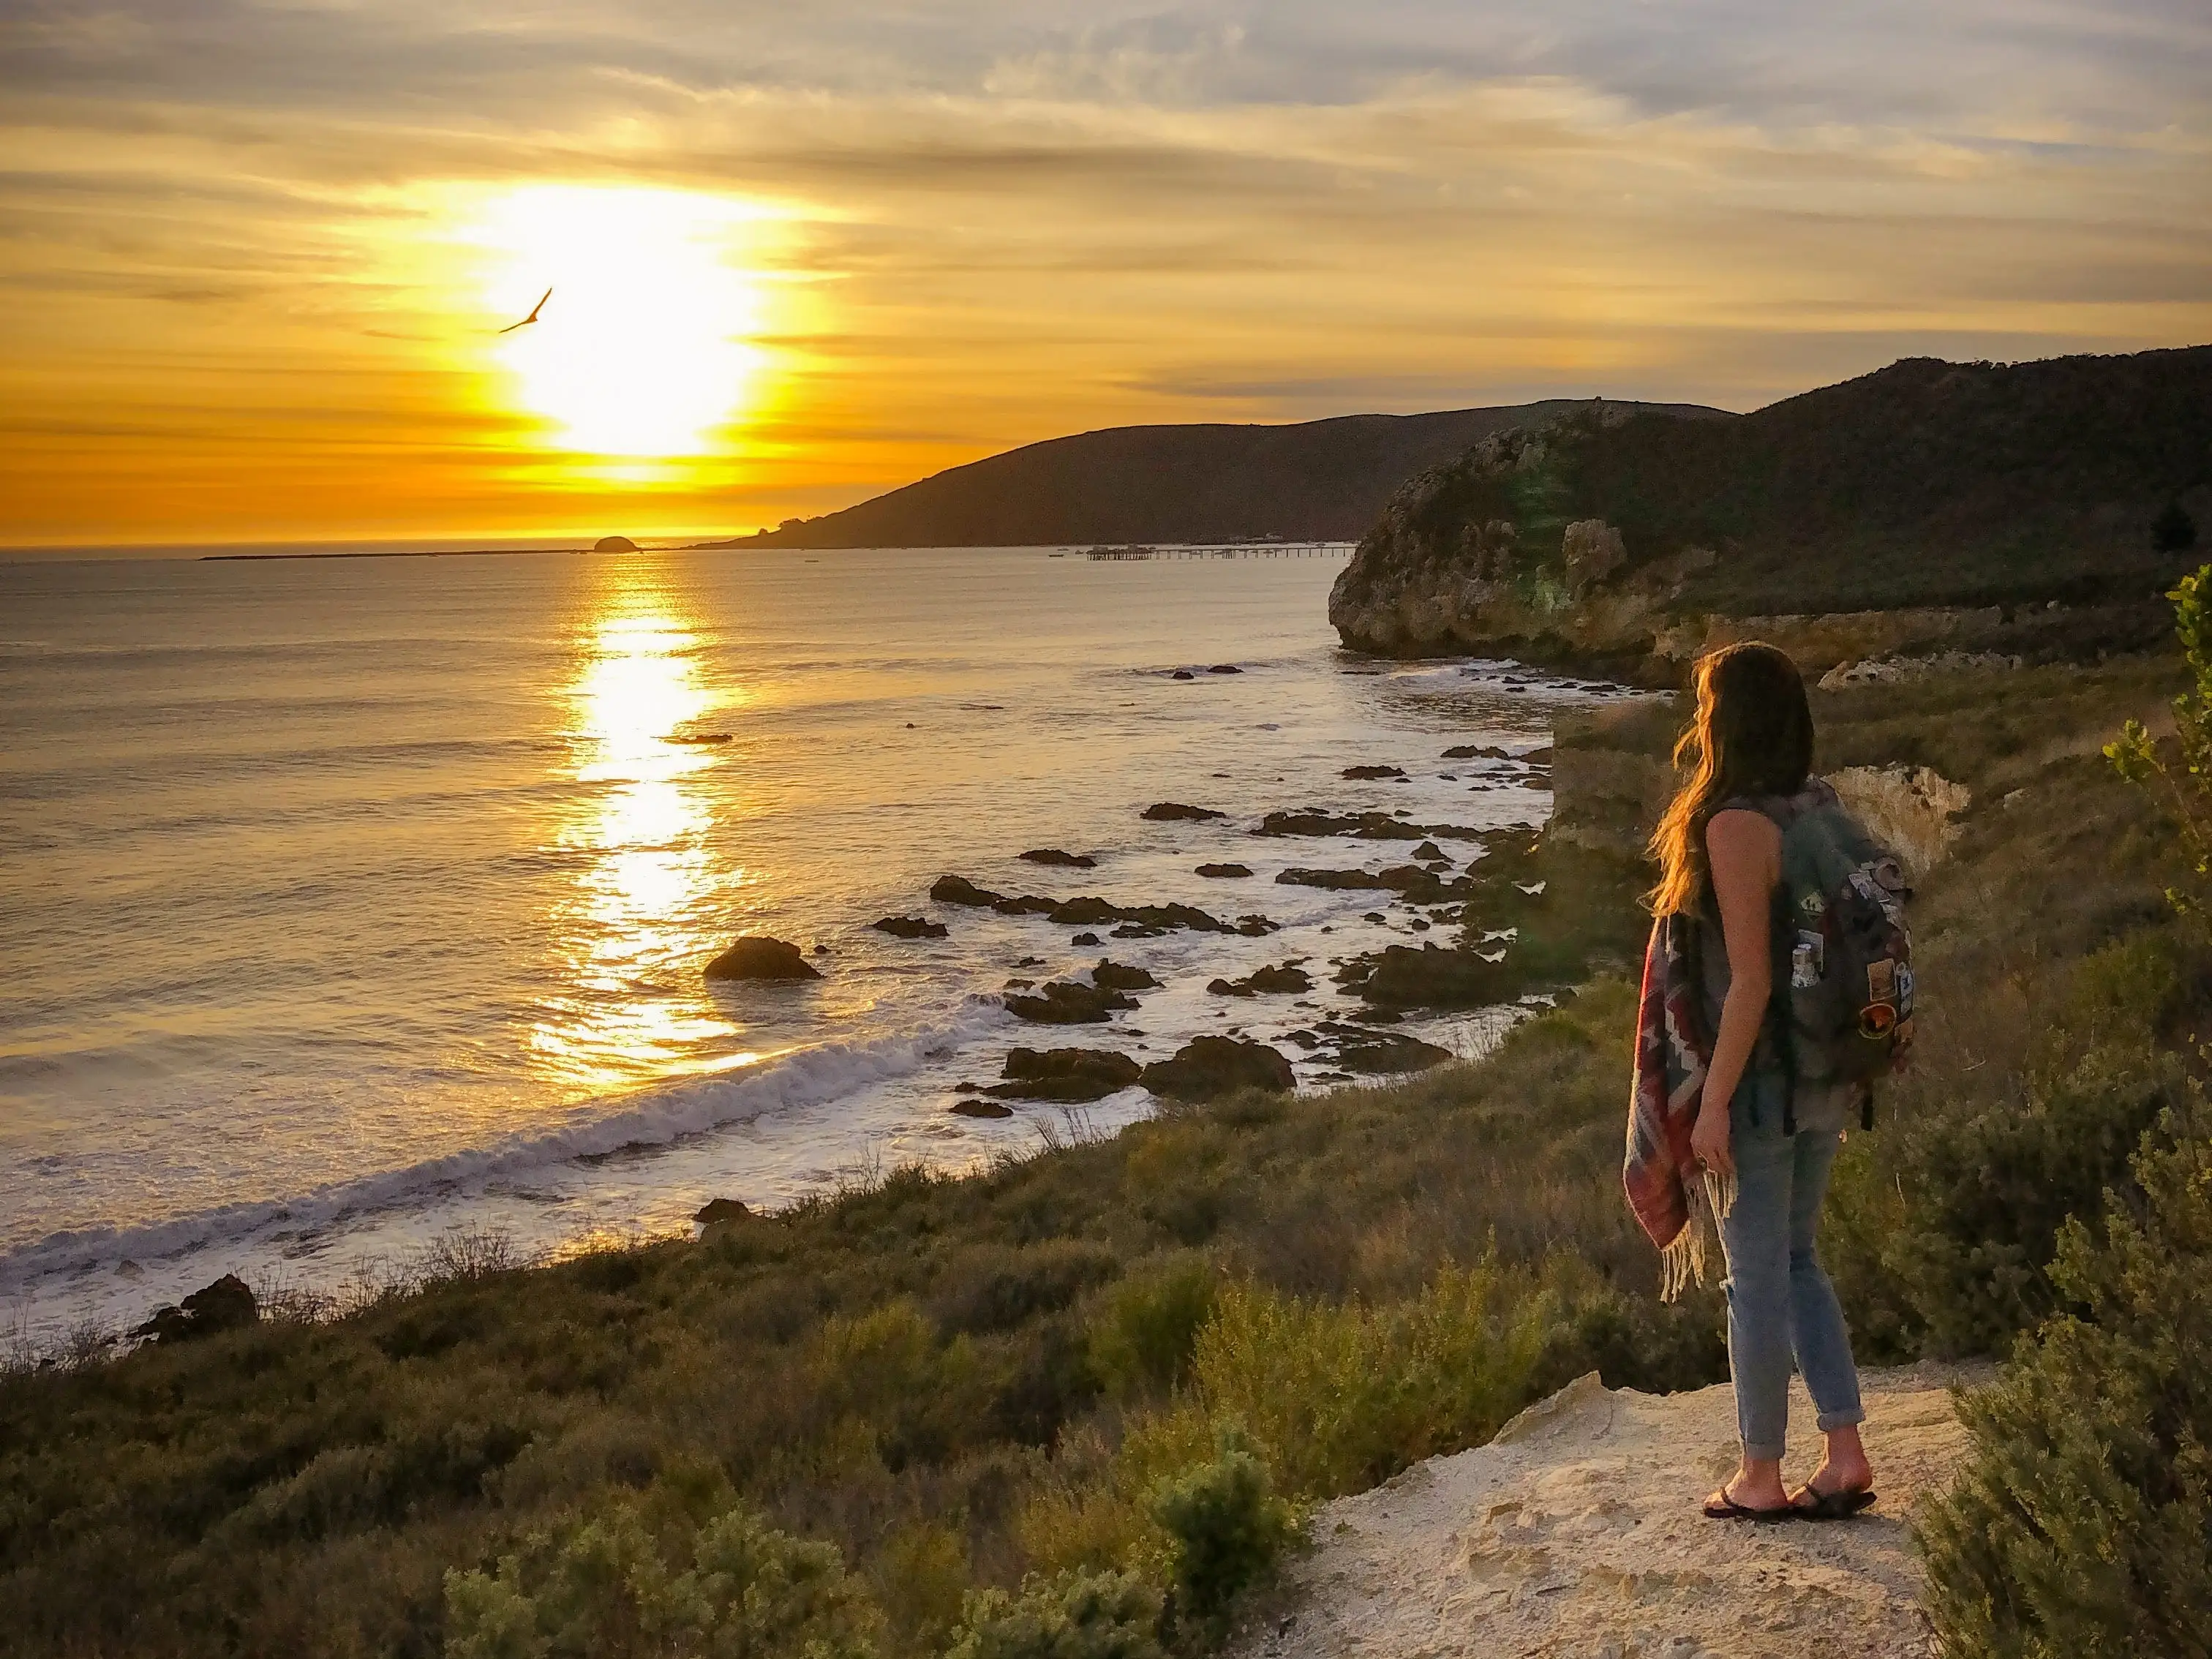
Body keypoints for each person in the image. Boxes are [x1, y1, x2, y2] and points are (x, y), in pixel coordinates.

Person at [1644, 642, 1876, 1522]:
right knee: (1797, 1258)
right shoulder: (1819, 807)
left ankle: (1759, 1474)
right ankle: (1845, 1453)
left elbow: (1750, 981)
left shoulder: (1737, 825)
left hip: (1762, 1088)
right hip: (1826, 1076)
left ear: (1726, 722)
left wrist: (1709, 1106)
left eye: (1706, 707)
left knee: (1754, 1278)